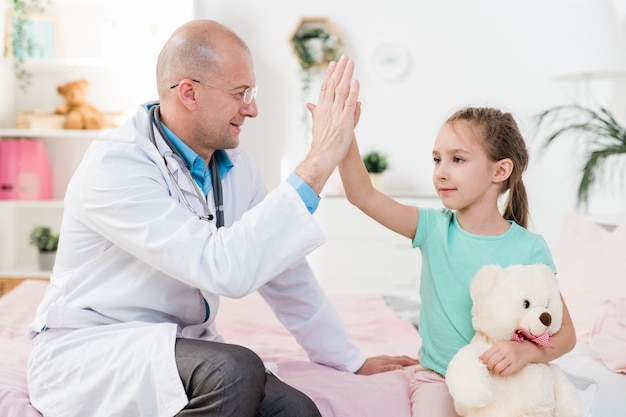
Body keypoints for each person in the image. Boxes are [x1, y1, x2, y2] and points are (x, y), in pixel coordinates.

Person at [26, 19, 417, 417]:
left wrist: (350, 360)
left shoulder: (236, 166)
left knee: (297, 410)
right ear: (189, 92)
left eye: (252, 91)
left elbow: (285, 273)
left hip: (182, 352)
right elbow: (220, 268)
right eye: (240, 93)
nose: (252, 108)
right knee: (236, 368)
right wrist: (318, 162)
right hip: (96, 350)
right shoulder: (116, 165)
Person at [337, 106, 577, 416]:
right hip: (439, 380)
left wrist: (526, 351)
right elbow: (362, 195)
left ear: (500, 171)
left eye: (457, 159)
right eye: (437, 159)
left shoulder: (530, 248)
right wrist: (344, 134)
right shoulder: (433, 228)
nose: (441, 172)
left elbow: (566, 335)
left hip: (506, 383)